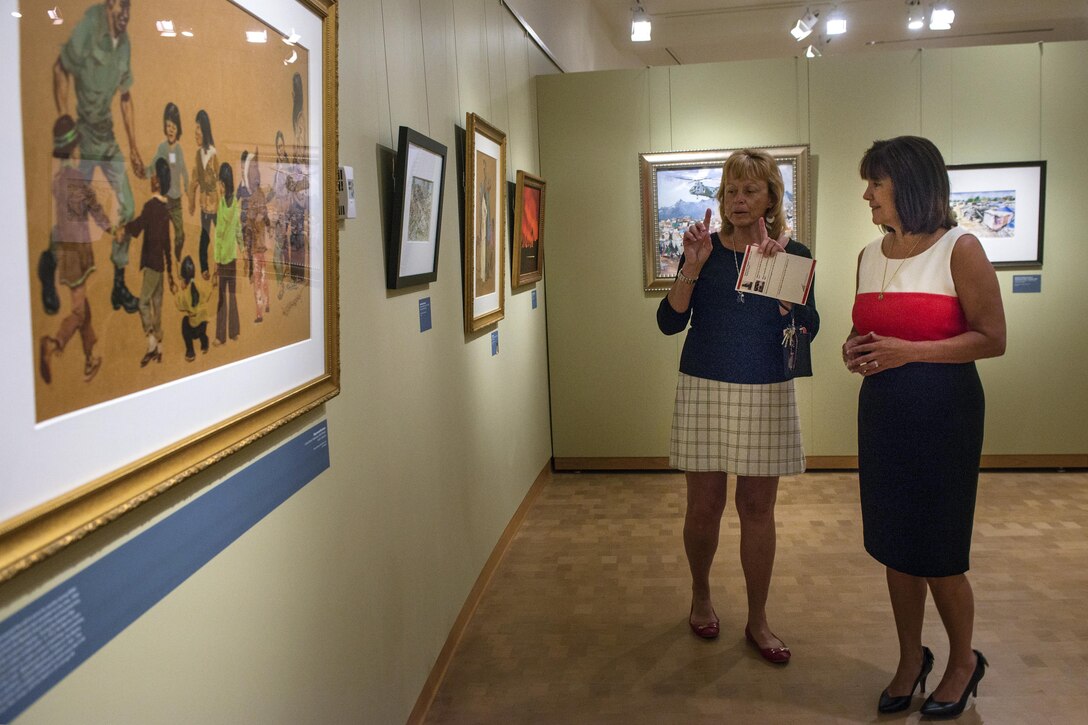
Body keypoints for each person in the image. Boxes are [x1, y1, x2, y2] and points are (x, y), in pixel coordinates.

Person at [844, 136, 1006, 718]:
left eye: (876, 183)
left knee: (939, 551)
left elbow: (992, 339)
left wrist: (909, 352)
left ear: (910, 185)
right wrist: (854, 347)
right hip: (884, 413)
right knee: (895, 546)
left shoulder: (960, 248)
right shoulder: (868, 253)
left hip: (945, 416)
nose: (867, 194)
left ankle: (963, 660)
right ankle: (912, 658)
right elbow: (866, 328)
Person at [657, 149, 819, 664]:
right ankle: (701, 595)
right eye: (730, 190)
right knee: (704, 506)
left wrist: (784, 299)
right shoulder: (702, 251)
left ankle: (758, 618)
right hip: (704, 384)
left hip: (767, 386)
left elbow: (809, 326)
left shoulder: (792, 252)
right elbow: (668, 322)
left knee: (757, 509)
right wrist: (692, 267)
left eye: (750, 190)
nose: (738, 200)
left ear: (772, 196)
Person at [53, 0, 145, 314]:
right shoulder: (90, 25)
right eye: (121, 12)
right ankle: (50, 263)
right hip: (84, 135)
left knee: (129, 207)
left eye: (128, 13)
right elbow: (60, 69)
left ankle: (118, 285)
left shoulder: (126, 42)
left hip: (107, 140)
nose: (125, 18)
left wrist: (133, 146)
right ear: (109, 6)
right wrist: (66, 131)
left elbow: (126, 96)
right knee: (72, 209)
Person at [38, 115, 110, 384]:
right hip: (77, 253)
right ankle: (55, 343)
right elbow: (94, 207)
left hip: (65, 252)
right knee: (79, 312)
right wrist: (112, 229)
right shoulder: (75, 179)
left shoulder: (57, 180)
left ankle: (90, 357)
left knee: (84, 308)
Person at [122, 158, 175, 366]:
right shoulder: (164, 209)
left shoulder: (151, 207)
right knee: (157, 306)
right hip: (160, 266)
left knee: (144, 302)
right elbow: (167, 245)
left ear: (158, 182)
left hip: (152, 266)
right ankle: (159, 348)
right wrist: (170, 272)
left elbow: (136, 227)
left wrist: (123, 227)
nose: (151, 177)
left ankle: (152, 342)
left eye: (154, 175)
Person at [150, 102, 190, 261]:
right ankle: (164, 262)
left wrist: (187, 186)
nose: (170, 130)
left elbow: (184, 170)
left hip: (176, 200)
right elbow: (153, 165)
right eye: (168, 126)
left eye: (173, 126)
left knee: (180, 234)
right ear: (164, 128)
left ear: (178, 128)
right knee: (160, 233)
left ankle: (177, 256)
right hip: (164, 199)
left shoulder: (179, 150)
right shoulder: (162, 148)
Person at [188, 109, 220, 280]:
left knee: (219, 235)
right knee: (205, 235)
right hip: (204, 205)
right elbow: (194, 181)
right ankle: (204, 268)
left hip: (215, 203)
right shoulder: (197, 155)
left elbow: (219, 178)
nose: (196, 132)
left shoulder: (214, 153)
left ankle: (218, 268)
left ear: (205, 130)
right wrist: (191, 201)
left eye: (198, 128)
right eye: (195, 128)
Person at [213, 162, 242, 345]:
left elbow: (218, 236)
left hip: (224, 259)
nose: (219, 187)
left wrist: (215, 261)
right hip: (232, 258)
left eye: (220, 184)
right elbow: (238, 230)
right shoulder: (236, 206)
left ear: (225, 184)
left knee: (222, 298)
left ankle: (220, 336)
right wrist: (244, 250)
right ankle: (234, 332)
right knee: (231, 295)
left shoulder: (222, 205)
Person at [175, 256, 211, 362]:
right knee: (202, 333)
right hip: (203, 324)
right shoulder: (200, 285)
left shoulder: (184, 294)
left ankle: (190, 351)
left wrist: (178, 292)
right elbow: (208, 293)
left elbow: (179, 305)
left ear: (184, 279)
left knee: (185, 321)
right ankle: (204, 344)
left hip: (193, 327)